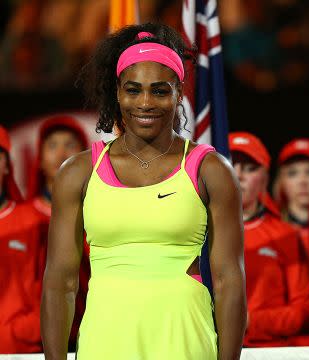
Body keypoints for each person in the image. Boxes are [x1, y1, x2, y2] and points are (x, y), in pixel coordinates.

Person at [41, 23, 246, 360]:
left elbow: (229, 281)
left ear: (179, 92)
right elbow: (60, 283)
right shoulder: (78, 172)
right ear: (117, 91)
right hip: (106, 340)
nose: (145, 103)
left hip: (185, 337)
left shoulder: (211, 170)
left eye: (160, 91)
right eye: (133, 90)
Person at [229, 132, 309, 346]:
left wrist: (250, 322)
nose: (238, 175)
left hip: (268, 351)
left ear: (265, 178)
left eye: (250, 168)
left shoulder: (285, 235)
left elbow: (308, 312)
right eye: (229, 165)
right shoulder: (196, 234)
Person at [0, 124, 44, 354]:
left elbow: (53, 285)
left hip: (21, 350)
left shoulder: (33, 221)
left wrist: (24, 330)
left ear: (7, 165)